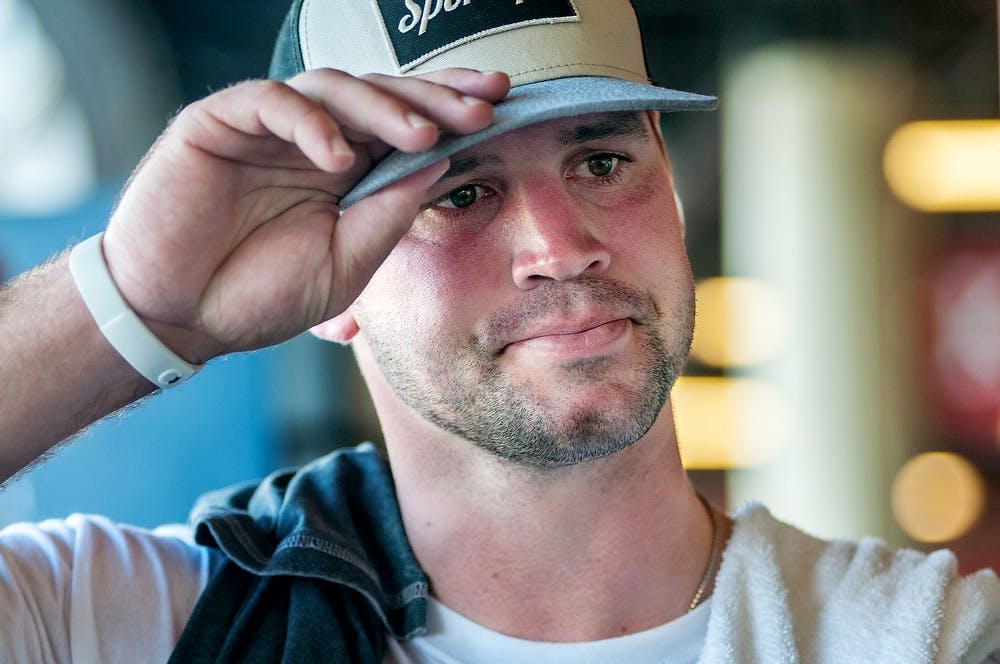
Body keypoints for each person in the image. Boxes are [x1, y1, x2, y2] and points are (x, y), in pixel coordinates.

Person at [0, 0, 998, 662]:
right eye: (461, 191)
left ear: (673, 197)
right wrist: (137, 303)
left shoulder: (915, 640)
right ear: (331, 288)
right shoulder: (140, 622)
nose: (560, 246)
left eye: (600, 163)